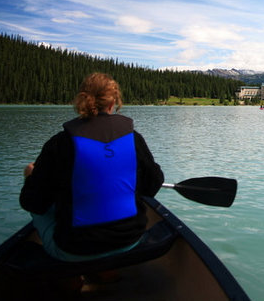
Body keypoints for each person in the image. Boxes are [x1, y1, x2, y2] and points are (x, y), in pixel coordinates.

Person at [20, 72, 164, 261]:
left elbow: (33, 203)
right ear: (113, 103)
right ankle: (107, 272)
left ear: (82, 100)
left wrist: (30, 177)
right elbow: (153, 184)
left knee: (43, 206)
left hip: (75, 249)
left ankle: (71, 278)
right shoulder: (133, 138)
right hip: (130, 240)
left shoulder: (59, 143)